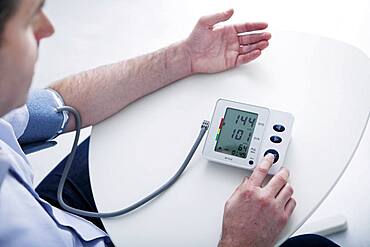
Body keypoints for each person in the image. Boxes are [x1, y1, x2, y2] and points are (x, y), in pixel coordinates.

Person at [0, 0, 340, 246]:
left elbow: (57, 106)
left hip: (52, 211)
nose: (48, 27)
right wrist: (239, 241)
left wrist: (184, 58)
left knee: (129, 123)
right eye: (29, 20)